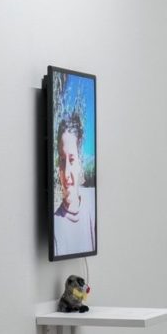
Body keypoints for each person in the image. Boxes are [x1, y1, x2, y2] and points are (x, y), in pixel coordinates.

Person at [52, 109, 96, 256]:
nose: (66, 173)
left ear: (80, 163)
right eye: (62, 160)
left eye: (71, 160)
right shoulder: (55, 227)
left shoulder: (93, 202)